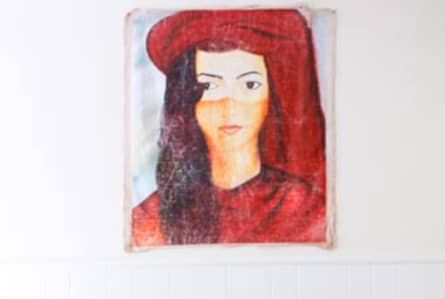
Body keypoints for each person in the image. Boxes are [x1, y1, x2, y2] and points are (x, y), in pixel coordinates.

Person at [130, 9, 328, 247]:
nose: (229, 106)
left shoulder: (307, 210)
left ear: (271, 94)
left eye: (250, 84)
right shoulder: (150, 219)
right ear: (184, 99)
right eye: (209, 85)